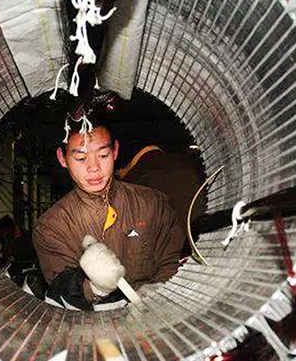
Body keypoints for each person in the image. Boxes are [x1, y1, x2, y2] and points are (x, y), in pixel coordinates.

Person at [32, 118, 187, 310]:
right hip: (90, 324)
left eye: (103, 155)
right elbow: (60, 287)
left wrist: (159, 292)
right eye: (80, 158)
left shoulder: (153, 203)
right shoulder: (50, 227)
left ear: (115, 151)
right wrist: (94, 288)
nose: (94, 167)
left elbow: (172, 262)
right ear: (62, 158)